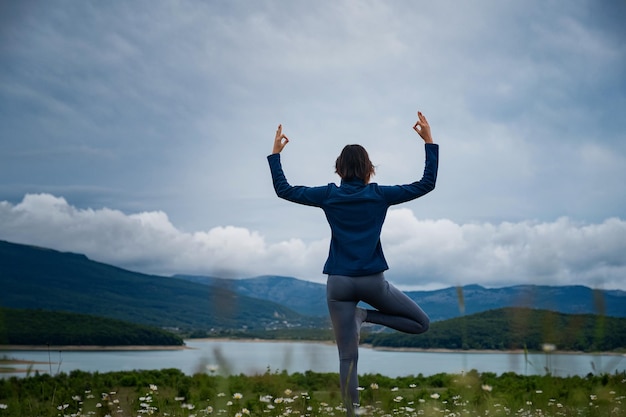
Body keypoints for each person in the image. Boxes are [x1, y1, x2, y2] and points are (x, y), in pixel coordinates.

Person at [267, 111, 438, 416]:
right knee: (421, 323)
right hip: (373, 281)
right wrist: (428, 142)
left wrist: (276, 154)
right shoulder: (379, 195)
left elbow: (285, 190)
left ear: (339, 169)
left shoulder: (329, 195)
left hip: (339, 283)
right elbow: (426, 184)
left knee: (348, 358)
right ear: (369, 169)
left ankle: (351, 413)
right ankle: (366, 316)